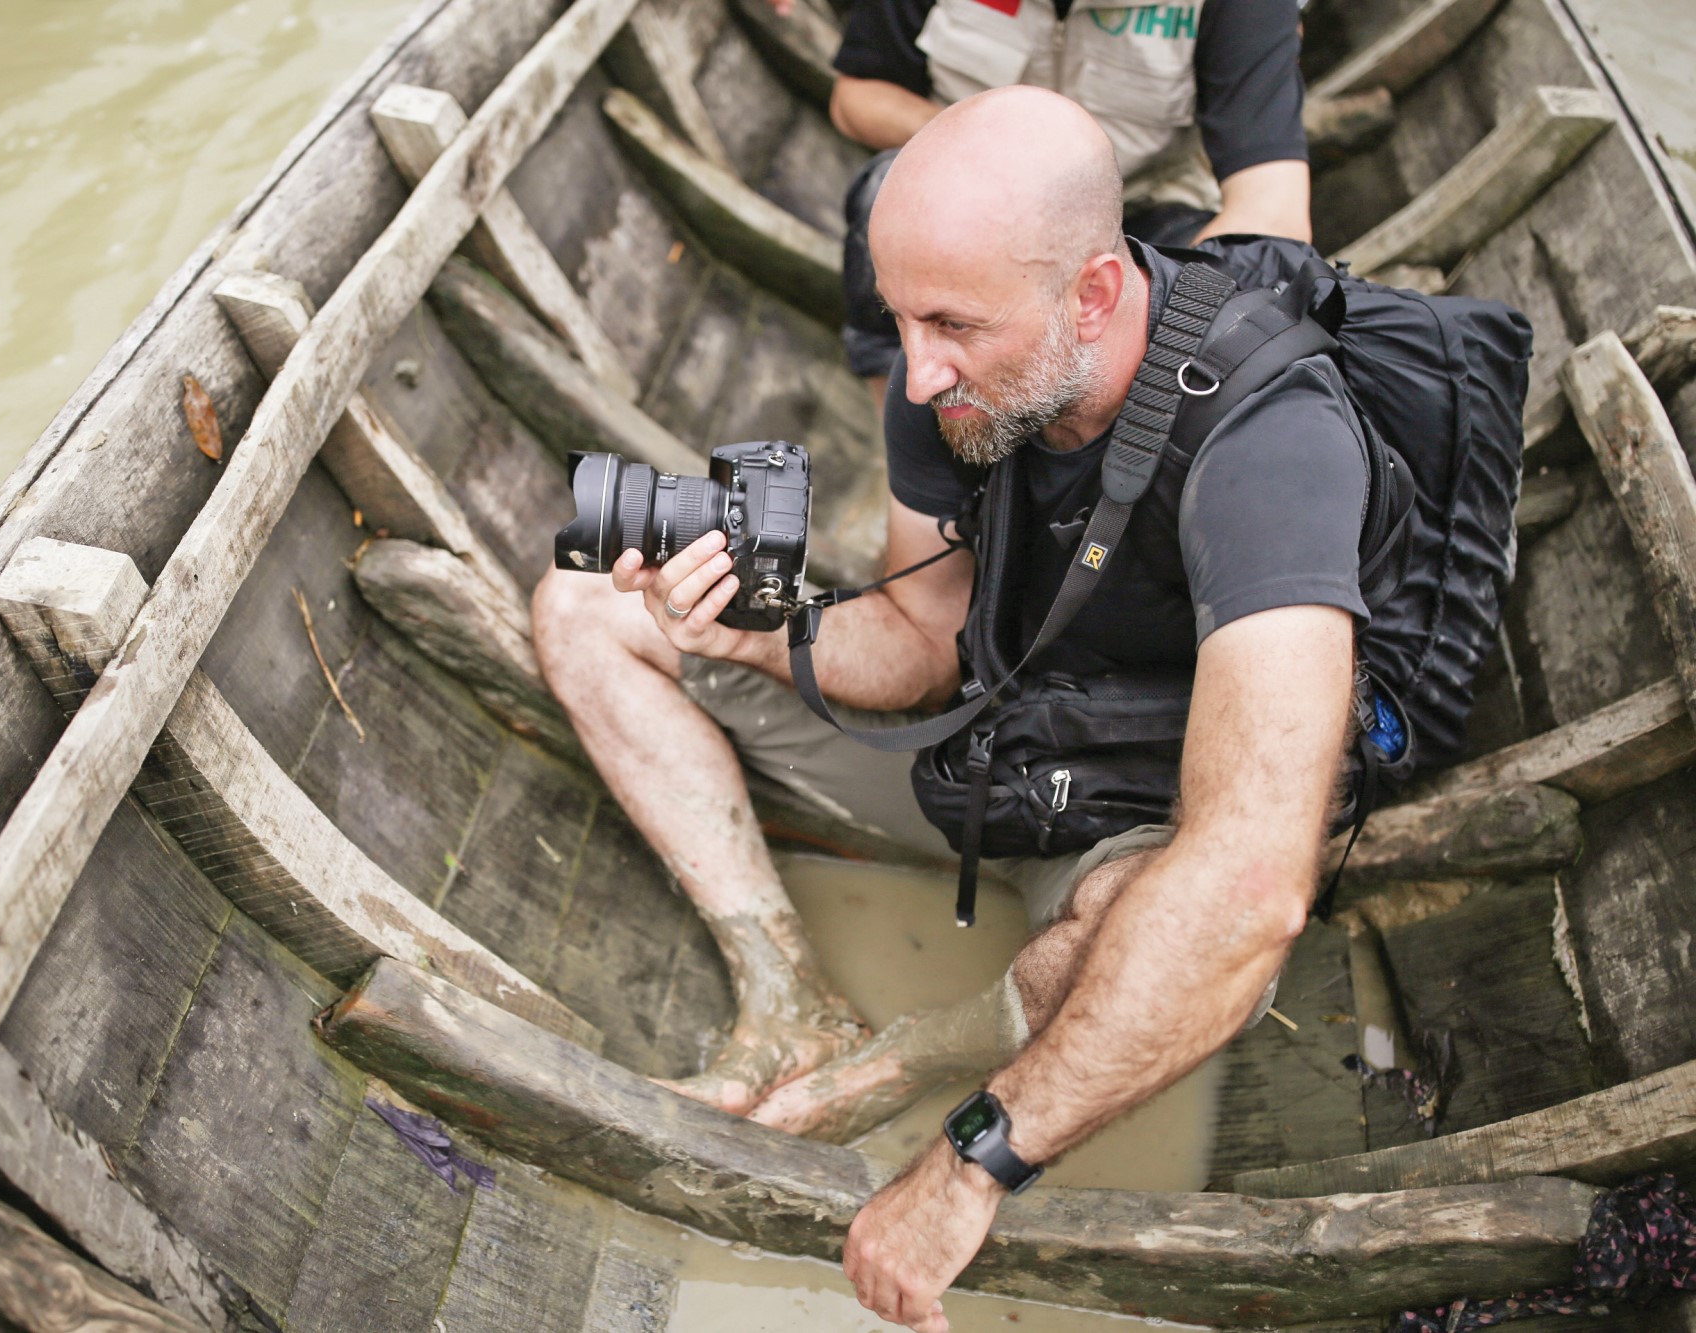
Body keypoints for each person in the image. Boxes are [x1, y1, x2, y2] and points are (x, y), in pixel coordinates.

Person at [535, 84, 1383, 1329]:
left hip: (1138, 813)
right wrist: (755, 634)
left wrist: (970, 1160)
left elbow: (1252, 884)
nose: (916, 367)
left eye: (951, 325)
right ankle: (785, 998)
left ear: (1091, 295)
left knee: (1165, 943)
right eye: (897, 316)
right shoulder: (943, 377)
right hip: (995, 750)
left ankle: (902, 1056)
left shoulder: (1271, 442)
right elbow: (924, 640)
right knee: (583, 611)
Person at [827, 0, 1314, 407]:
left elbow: (1273, 212)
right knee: (883, 195)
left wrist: (1162, 335)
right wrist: (976, 142)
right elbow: (858, 94)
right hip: (971, 198)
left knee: (1241, 282)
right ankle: (907, 446)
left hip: (1145, 205)